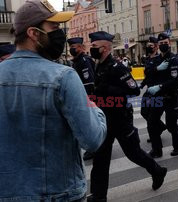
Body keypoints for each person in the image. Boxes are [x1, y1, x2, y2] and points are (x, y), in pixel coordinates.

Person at [0, 1, 107, 201]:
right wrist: (96, 110)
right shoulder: (62, 76)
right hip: (58, 194)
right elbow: (92, 139)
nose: (61, 34)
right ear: (33, 33)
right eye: (55, 28)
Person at [87, 31, 167, 202]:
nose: (91, 49)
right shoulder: (98, 65)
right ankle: (99, 195)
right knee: (100, 158)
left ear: (105, 48)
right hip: (104, 119)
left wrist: (108, 90)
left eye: (94, 46)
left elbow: (134, 90)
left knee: (134, 154)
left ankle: (157, 171)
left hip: (121, 119)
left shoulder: (118, 68)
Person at [141, 33, 178, 157]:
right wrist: (157, 69)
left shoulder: (174, 59)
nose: (163, 45)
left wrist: (160, 86)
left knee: (171, 124)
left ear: (169, 43)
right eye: (161, 44)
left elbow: (176, 80)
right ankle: (157, 150)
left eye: (165, 43)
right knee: (152, 122)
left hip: (170, 96)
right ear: (158, 45)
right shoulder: (157, 60)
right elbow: (148, 74)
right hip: (158, 97)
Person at [67, 37, 96, 161]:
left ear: (80, 47)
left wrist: (86, 100)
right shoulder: (77, 61)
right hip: (82, 96)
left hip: (87, 96)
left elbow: (89, 82)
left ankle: (93, 148)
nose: (71, 49)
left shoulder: (84, 61)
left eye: (73, 47)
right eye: (70, 47)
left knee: (88, 123)